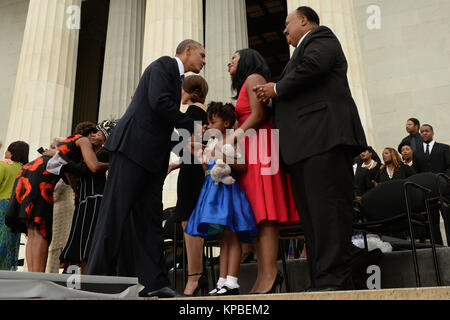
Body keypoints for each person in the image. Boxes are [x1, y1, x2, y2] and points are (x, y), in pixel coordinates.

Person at [253, 6, 367, 291]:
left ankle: (336, 280)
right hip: (304, 146)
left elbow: (313, 67)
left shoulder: (321, 38)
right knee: (313, 219)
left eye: (287, 24)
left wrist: (276, 89)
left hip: (324, 140)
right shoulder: (297, 56)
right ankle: (322, 279)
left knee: (328, 214)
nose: (283, 30)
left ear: (304, 21)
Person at [86, 39, 206, 298]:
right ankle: (96, 279)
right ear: (187, 50)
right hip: (132, 151)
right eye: (202, 54)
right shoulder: (164, 65)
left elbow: (160, 122)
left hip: (152, 161)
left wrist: (188, 147)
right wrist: (191, 128)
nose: (204, 61)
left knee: (150, 222)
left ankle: (154, 283)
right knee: (114, 215)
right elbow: (160, 103)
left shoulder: (175, 79)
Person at [228, 48, 299, 293]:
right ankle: (265, 273)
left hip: (262, 145)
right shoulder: (245, 84)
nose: (229, 62)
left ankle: (270, 273)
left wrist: (232, 138)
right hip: (251, 147)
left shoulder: (254, 78)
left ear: (246, 60)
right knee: (257, 213)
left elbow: (257, 115)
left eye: (234, 59)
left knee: (267, 212)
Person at [5, 122, 107, 272]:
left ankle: (33, 274)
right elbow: (93, 166)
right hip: (42, 178)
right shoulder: (82, 140)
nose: (94, 136)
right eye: (94, 133)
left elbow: (67, 173)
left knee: (33, 230)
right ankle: (38, 276)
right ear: (88, 133)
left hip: (30, 172)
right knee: (41, 230)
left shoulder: (68, 145)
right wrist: (114, 164)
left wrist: (59, 158)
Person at [185, 102, 257, 296]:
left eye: (212, 122)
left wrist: (224, 159)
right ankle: (222, 281)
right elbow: (202, 163)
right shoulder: (211, 143)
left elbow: (242, 165)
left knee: (232, 236)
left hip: (227, 192)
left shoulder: (233, 140)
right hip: (212, 191)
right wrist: (205, 161)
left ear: (226, 122)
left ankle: (232, 282)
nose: (208, 126)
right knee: (223, 239)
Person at [167, 75, 209, 295]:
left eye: (181, 89)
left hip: (192, 172)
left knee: (189, 223)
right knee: (189, 222)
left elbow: (190, 146)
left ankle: (194, 277)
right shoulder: (199, 112)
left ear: (190, 91)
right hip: (191, 168)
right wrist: (175, 165)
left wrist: (167, 134)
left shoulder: (194, 111)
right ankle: (195, 276)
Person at [59, 120, 116, 274]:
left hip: (94, 201)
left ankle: (87, 280)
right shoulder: (91, 154)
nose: (94, 135)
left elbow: (84, 170)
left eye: (99, 133)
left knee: (87, 243)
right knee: (80, 243)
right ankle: (77, 283)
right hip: (84, 201)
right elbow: (76, 178)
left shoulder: (105, 153)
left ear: (107, 137)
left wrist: (59, 157)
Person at [413, 124, 450, 245]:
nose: (424, 133)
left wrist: (444, 181)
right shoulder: (417, 153)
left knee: (448, 220)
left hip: (445, 191)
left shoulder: (444, 148)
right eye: (422, 131)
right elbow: (416, 173)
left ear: (432, 133)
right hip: (428, 194)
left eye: (427, 131)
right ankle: (438, 247)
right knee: (432, 224)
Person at [0, 141, 29, 270]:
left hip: (2, 206)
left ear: (11, 152)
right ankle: (8, 269)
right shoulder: (25, 169)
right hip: (16, 209)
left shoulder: (2, 166)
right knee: (12, 243)